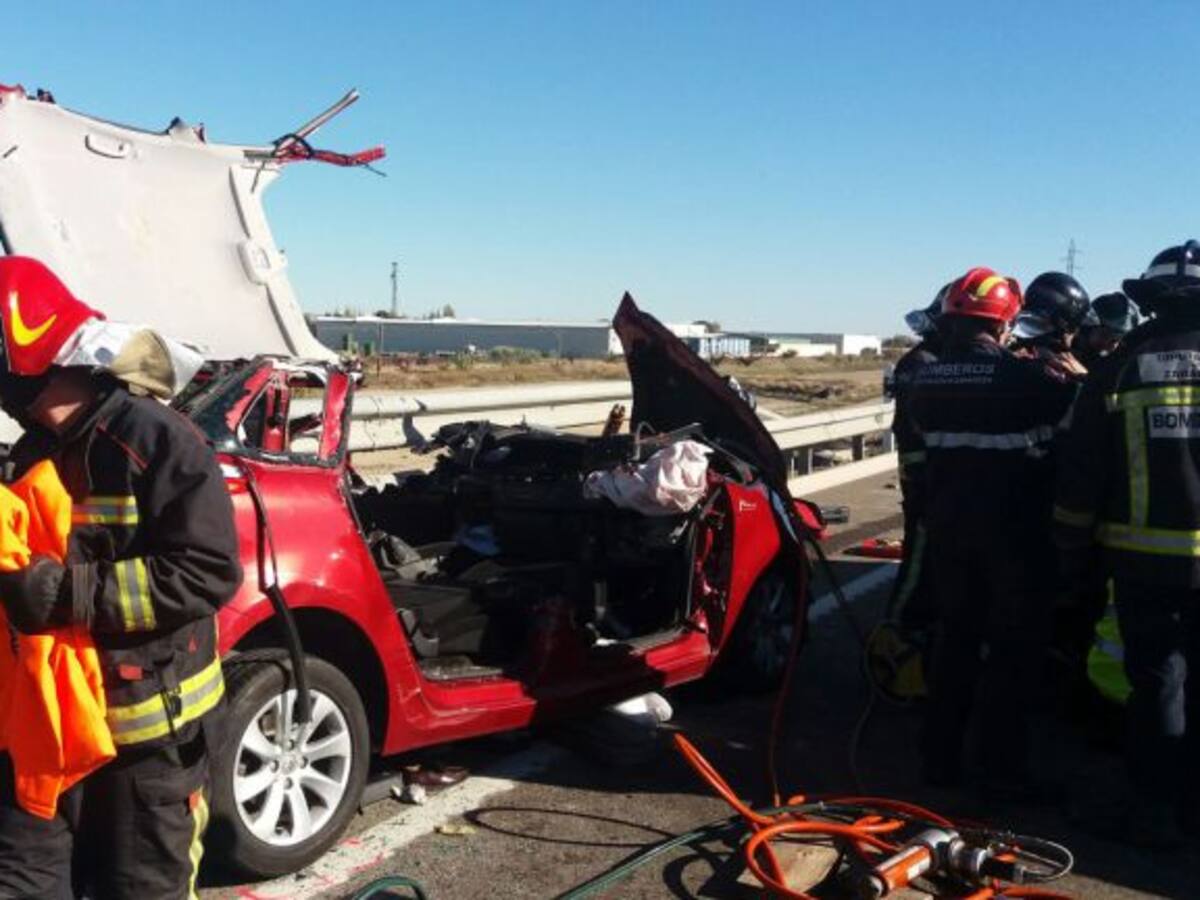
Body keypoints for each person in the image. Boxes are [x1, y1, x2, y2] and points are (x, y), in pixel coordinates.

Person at [0, 257, 241, 898]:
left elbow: (207, 571)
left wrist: (68, 595)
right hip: (51, 735)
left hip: (147, 748)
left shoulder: (156, 441)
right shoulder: (33, 451)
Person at [907, 266, 1077, 798]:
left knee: (954, 644)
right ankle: (998, 770)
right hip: (1013, 537)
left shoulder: (922, 380)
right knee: (1010, 654)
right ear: (1006, 322)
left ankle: (939, 761)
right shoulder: (1031, 379)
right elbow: (1074, 431)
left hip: (950, 534)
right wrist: (1074, 374)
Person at [1055, 240, 1200, 846]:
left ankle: (1156, 808)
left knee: (1158, 682)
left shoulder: (1119, 370)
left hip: (1145, 565)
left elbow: (1080, 471)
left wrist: (1067, 547)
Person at [1009, 271, 1096, 379]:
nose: (1075, 335)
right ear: (1064, 329)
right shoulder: (1059, 373)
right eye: (1074, 329)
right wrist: (1081, 377)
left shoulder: (1006, 354)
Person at [1072, 291, 1141, 371]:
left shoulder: (1114, 366)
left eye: (1115, 340)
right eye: (1104, 335)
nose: (1108, 345)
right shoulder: (1062, 352)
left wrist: (1082, 376)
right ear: (1088, 328)